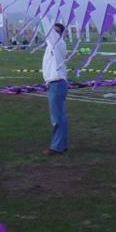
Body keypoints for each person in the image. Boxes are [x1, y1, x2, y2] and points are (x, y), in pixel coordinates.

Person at [42, 22, 68, 155]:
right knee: (60, 116)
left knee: (57, 117)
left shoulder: (57, 43)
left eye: (55, 31)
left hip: (57, 84)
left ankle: (57, 146)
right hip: (55, 84)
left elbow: (48, 30)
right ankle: (61, 144)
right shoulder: (53, 45)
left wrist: (41, 10)